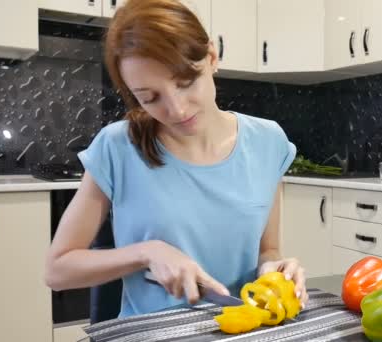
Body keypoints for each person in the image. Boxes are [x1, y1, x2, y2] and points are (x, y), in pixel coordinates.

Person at [44, 0, 307, 318]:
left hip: (243, 327)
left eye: (186, 83)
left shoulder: (268, 141)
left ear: (211, 58)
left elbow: (268, 250)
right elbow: (58, 271)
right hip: (152, 333)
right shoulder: (117, 146)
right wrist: (146, 252)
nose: (177, 110)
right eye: (150, 97)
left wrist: (274, 270)